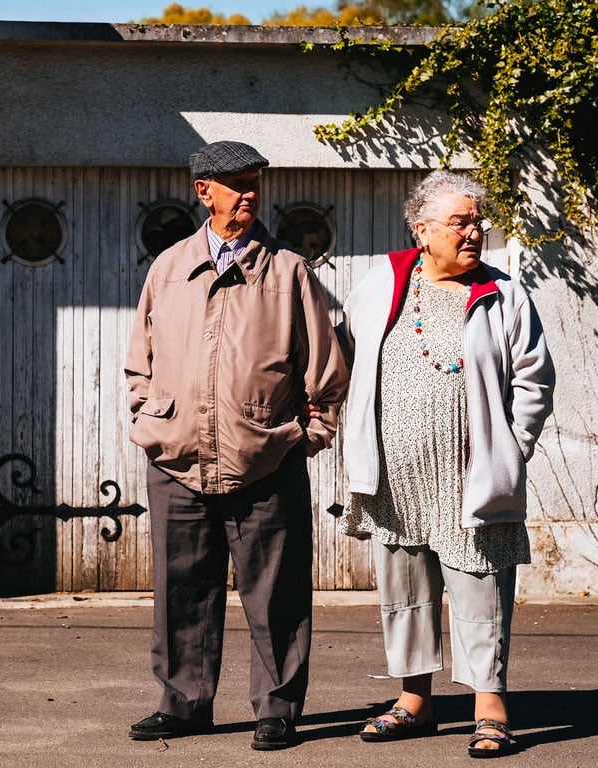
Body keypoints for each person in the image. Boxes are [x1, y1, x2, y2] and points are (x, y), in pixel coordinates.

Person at [124, 140, 349, 751]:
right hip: (177, 456)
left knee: (275, 592)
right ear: (205, 192)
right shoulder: (167, 268)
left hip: (265, 458)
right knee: (181, 588)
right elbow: (138, 361)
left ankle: (276, 708)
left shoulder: (288, 272)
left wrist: (307, 436)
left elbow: (324, 370)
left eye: (254, 183)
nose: (249, 193)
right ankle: (183, 703)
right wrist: (149, 418)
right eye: (236, 184)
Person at [335, 170, 555, 757]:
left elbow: (534, 380)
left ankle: (490, 704)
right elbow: (345, 354)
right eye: (460, 221)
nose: (475, 231)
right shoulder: (382, 283)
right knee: (405, 590)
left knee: (481, 589)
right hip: (396, 478)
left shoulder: (504, 295)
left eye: (479, 221)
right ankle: (414, 701)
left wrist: (514, 448)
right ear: (422, 227)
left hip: (470, 477)